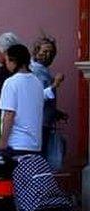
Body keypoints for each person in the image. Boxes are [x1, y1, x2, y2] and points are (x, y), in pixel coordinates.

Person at [0, 44, 45, 156]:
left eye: (7, 60)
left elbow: (9, 114)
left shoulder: (11, 82)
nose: (6, 64)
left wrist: (3, 142)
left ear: (13, 61)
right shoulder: (37, 82)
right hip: (35, 143)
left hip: (15, 143)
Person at [30, 36, 66, 167]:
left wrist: (55, 112)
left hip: (45, 122)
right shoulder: (36, 71)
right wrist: (55, 84)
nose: (48, 55)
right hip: (39, 124)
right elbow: (38, 97)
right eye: (44, 51)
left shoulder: (43, 70)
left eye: (51, 53)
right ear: (36, 51)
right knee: (40, 160)